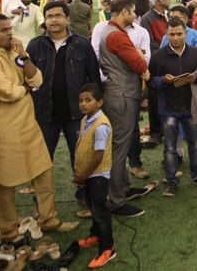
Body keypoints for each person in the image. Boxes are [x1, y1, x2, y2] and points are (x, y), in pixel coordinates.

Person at [0, 14, 78, 241]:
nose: (9, 33)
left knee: (43, 172)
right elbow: (9, 93)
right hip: (1, 129)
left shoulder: (13, 52)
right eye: (3, 30)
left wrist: (24, 56)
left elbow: (37, 79)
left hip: (27, 124)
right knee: (3, 182)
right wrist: (26, 88)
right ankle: (8, 230)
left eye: (9, 29)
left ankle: (48, 219)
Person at [28, 1, 101, 191]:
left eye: (58, 15)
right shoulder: (35, 46)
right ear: (45, 20)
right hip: (45, 114)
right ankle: (41, 200)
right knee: (42, 159)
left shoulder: (82, 44)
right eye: (50, 16)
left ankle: (84, 194)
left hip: (76, 113)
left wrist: (93, 108)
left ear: (67, 18)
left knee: (81, 157)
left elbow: (93, 77)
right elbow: (26, 79)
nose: (54, 20)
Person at [98, 0, 156, 218]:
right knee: (119, 148)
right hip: (122, 95)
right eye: (132, 12)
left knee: (118, 146)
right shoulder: (116, 35)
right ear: (124, 12)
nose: (135, 16)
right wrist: (140, 57)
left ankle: (122, 188)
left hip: (118, 93)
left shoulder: (109, 31)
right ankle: (116, 201)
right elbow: (140, 63)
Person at [149, 18, 197, 196]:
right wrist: (162, 80)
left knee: (195, 144)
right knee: (170, 148)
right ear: (166, 34)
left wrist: (196, 77)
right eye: (172, 34)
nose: (175, 37)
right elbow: (150, 81)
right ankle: (171, 180)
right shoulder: (158, 56)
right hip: (168, 108)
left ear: (186, 33)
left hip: (191, 107)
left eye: (179, 34)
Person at [72, 84, 116, 269]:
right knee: (92, 207)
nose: (83, 104)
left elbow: (98, 156)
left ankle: (108, 248)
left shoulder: (101, 126)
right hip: (88, 175)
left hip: (97, 176)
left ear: (99, 103)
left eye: (88, 100)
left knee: (100, 212)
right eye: (81, 100)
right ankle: (96, 234)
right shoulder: (85, 119)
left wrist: (83, 175)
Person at [141, 0, 170, 147]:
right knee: (154, 99)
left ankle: (167, 130)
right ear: (159, 0)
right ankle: (156, 133)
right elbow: (149, 43)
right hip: (156, 63)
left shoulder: (168, 14)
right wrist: (166, 50)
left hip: (170, 60)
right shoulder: (148, 18)